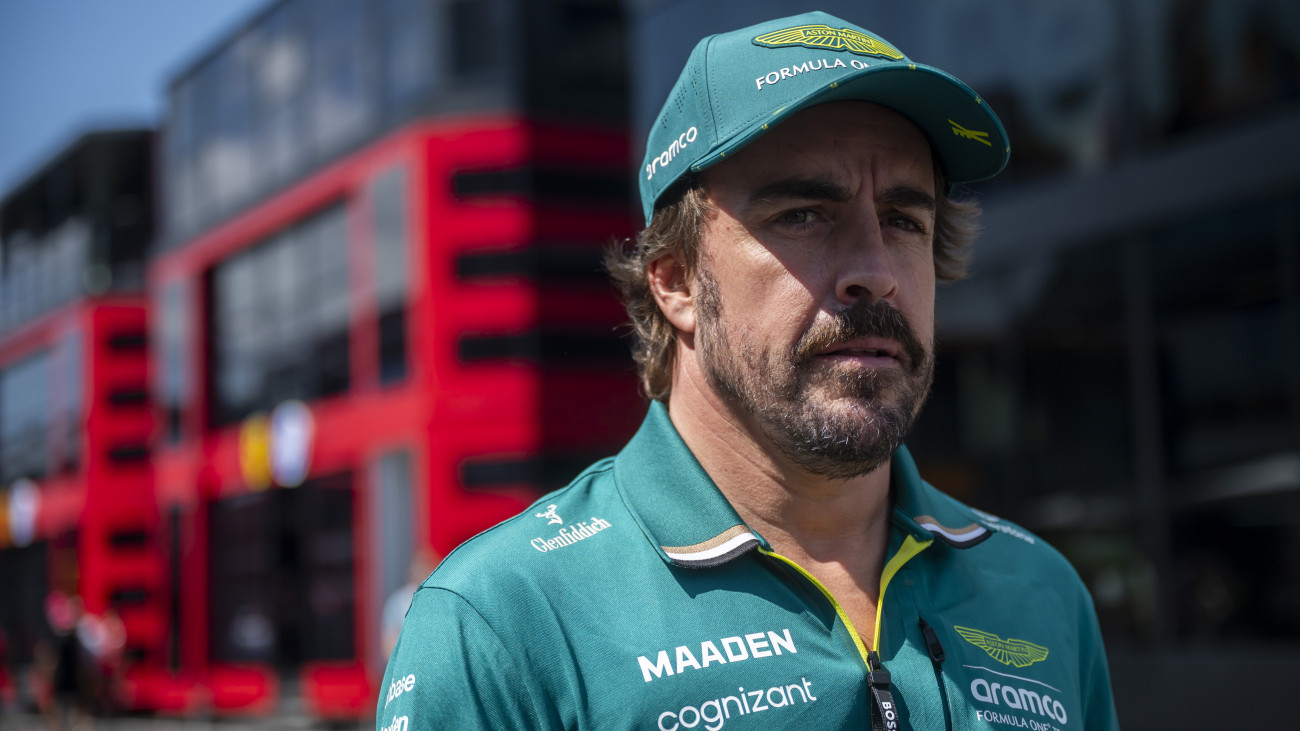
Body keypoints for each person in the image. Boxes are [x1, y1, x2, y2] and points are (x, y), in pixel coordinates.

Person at [379, 11, 1119, 730]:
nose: (874, 271)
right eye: (803, 214)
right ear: (676, 282)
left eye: (903, 221)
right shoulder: (503, 624)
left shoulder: (1041, 594)